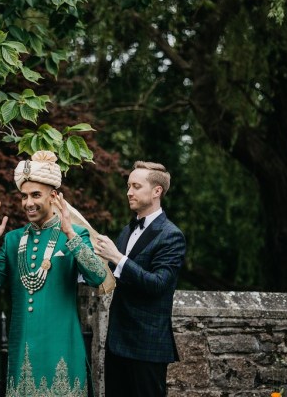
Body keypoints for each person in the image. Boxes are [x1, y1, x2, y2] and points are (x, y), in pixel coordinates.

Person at [0, 150, 107, 396]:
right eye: (24, 196)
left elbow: (97, 277)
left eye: (36, 195)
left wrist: (70, 234)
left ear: (53, 196)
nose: (28, 202)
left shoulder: (75, 235)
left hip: (62, 345)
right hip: (22, 349)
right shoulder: (13, 239)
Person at [94, 160, 186, 397]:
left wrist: (117, 257)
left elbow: (158, 284)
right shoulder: (127, 230)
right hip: (117, 342)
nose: (129, 192)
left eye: (136, 186)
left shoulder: (171, 235)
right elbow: (118, 276)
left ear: (157, 191)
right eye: (128, 186)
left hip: (147, 345)